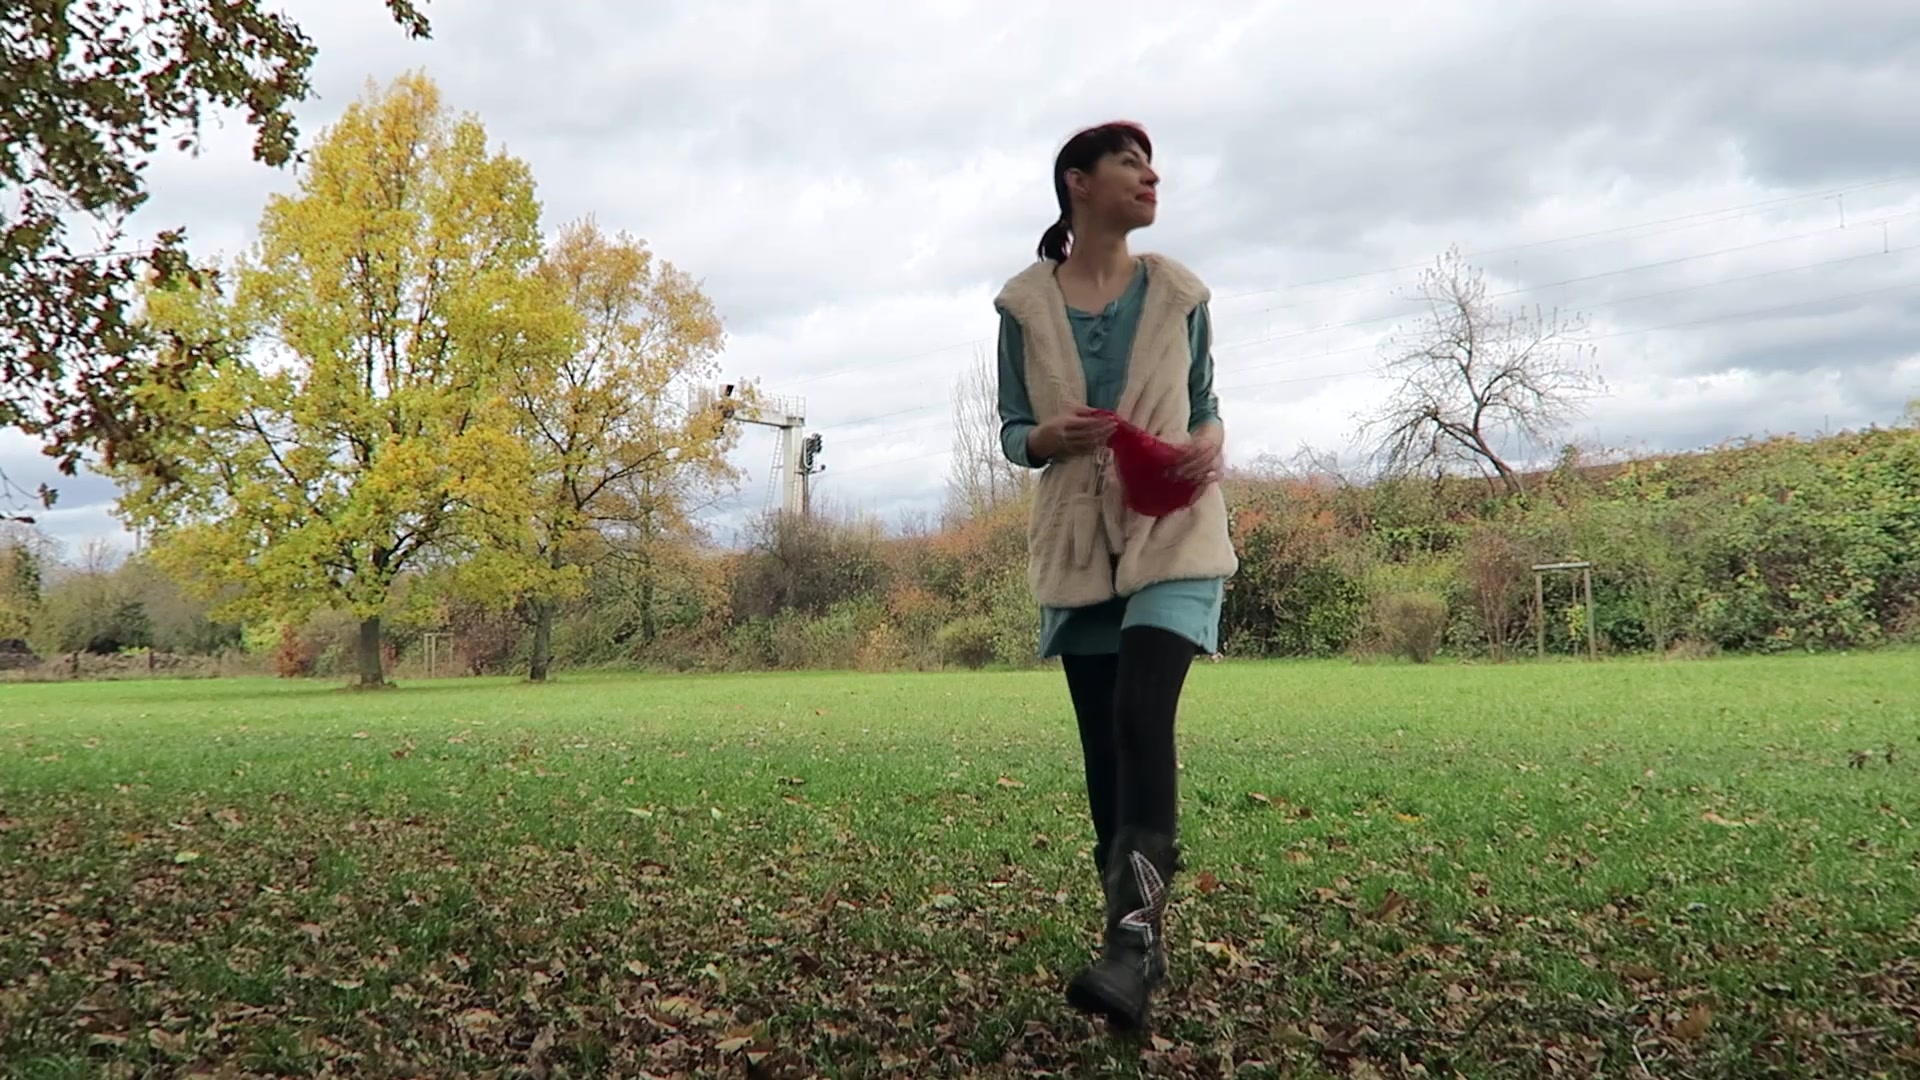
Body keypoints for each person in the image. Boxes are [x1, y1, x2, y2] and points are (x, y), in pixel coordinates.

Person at [992, 121, 1238, 1030]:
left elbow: (1206, 404)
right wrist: (1045, 438)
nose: (1150, 175)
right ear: (1078, 182)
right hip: (1078, 542)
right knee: (1105, 745)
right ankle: (1134, 945)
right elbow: (1013, 429)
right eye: (1129, 163)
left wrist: (1205, 444)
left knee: (1141, 713)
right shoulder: (1023, 308)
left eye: (1152, 163)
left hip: (1172, 525)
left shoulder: (1179, 294)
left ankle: (1130, 945)